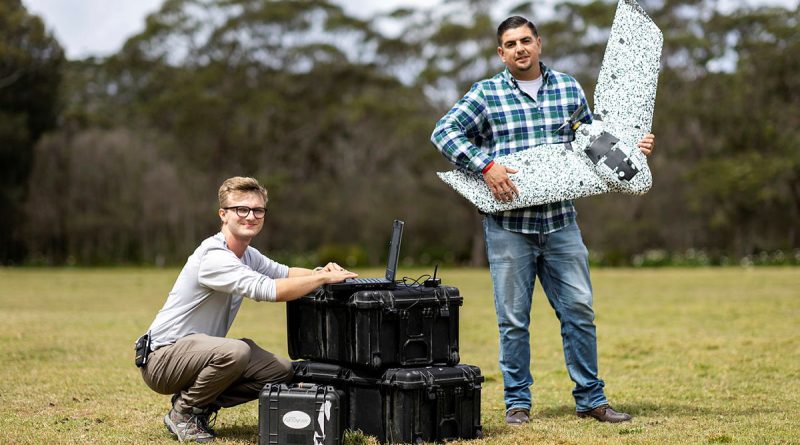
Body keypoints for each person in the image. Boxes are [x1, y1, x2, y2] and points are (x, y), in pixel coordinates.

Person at [431, 16, 655, 425]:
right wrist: (486, 166)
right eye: (511, 43)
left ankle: (592, 400)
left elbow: (594, 144)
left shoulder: (569, 88)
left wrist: (632, 149)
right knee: (514, 321)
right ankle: (518, 403)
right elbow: (444, 132)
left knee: (580, 312)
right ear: (501, 53)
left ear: (539, 44)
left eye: (526, 40)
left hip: (561, 224)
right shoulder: (486, 94)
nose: (520, 48)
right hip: (508, 231)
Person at [137, 176, 357, 443]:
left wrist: (321, 271)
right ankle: (184, 413)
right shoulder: (214, 256)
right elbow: (267, 289)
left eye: (258, 210)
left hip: (198, 355)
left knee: (279, 371)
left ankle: (200, 404)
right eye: (241, 209)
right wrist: (321, 280)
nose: (250, 216)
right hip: (162, 358)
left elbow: (283, 273)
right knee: (236, 351)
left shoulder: (247, 254)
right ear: (223, 215)